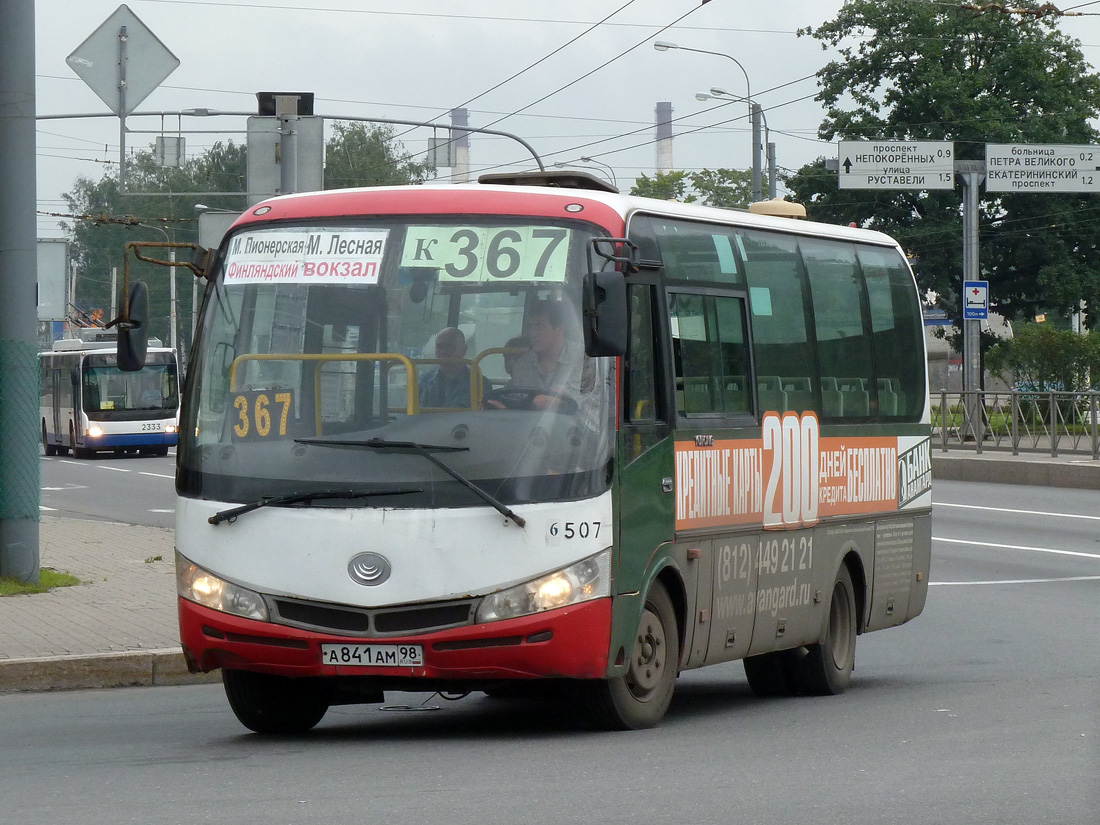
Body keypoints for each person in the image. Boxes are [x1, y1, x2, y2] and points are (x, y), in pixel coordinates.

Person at [418, 326, 472, 408]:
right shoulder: (421, 382)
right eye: (439, 347)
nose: (444, 352)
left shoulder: (479, 384)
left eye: (450, 347)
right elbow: (406, 418)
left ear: (464, 349)